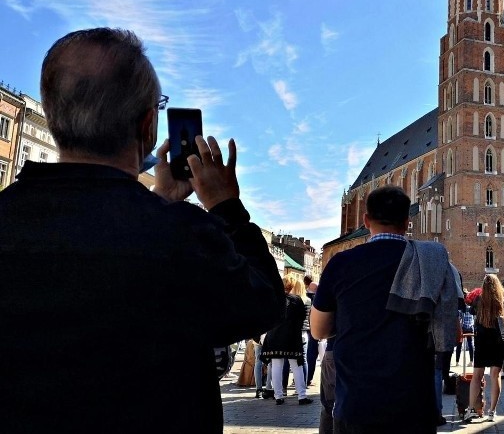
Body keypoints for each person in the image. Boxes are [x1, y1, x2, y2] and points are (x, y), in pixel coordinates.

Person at [0, 28, 284, 433]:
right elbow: (263, 305)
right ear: (149, 124)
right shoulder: (182, 237)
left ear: (53, 114)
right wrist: (226, 207)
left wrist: (160, 203)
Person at [310, 186, 440, 433]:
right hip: (414, 405)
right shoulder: (428, 262)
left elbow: (318, 330)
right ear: (407, 221)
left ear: (366, 220)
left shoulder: (342, 262)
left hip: (358, 402)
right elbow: (449, 332)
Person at [462, 274, 504, 423]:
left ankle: (470, 409)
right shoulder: (502, 301)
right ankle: (492, 412)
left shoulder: (478, 301)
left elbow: (470, 311)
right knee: (495, 375)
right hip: (498, 342)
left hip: (482, 341)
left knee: (477, 376)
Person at [261, 275, 313, 405]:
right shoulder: (296, 300)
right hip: (291, 337)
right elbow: (302, 318)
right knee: (297, 366)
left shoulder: (273, 299)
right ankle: (301, 395)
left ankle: (278, 396)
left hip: (274, 336)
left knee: (277, 365)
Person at [304, 274, 320, 386]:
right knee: (311, 354)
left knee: (303, 354)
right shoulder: (317, 299)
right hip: (313, 329)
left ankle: (301, 377)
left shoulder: (302, 297)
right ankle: (308, 378)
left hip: (303, 329)